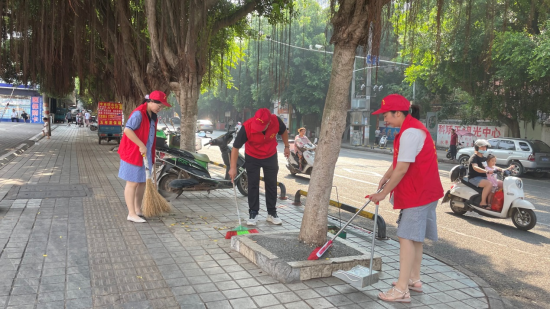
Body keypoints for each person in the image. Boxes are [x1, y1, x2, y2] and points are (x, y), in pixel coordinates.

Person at [367, 94, 443, 303]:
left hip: (418, 194)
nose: (384, 119)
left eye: (386, 115)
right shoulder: (411, 128)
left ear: (398, 113)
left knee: (406, 237)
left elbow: (402, 168)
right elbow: (401, 161)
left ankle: (402, 290)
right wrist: (385, 176)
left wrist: (382, 193)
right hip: (425, 192)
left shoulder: (411, 133)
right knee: (415, 237)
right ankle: (413, 279)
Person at [228, 108, 290, 226]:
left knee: (271, 184)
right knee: (253, 184)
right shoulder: (247, 127)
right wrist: (233, 167)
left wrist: (287, 146)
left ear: (268, 123)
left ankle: (272, 213)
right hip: (253, 157)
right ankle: (253, 212)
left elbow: (284, 131)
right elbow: (235, 147)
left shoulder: (275, 121)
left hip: (270, 156)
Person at [118, 91, 171, 223]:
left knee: (142, 182)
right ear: (151, 101)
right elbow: (127, 130)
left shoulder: (152, 116)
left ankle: (137, 209)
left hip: (145, 155)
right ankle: (131, 213)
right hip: (133, 153)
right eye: (159, 105)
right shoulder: (138, 114)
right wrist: (140, 144)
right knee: (132, 183)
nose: (161, 108)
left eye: (163, 106)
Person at [467, 139, 492, 209]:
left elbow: (492, 166)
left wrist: (504, 169)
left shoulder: (484, 158)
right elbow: (475, 167)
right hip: (474, 178)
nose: (484, 149)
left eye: (485, 147)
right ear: (477, 148)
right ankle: (483, 202)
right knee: (489, 184)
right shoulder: (474, 157)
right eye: (482, 147)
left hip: (483, 178)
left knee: (497, 183)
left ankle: (490, 202)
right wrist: (486, 171)